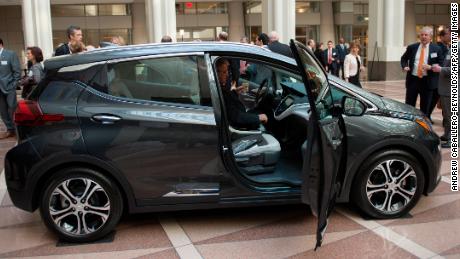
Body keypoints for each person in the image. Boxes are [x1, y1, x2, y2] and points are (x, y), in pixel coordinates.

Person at [400, 26, 443, 117]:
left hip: (427, 81)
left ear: (430, 37)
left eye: (426, 35)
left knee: (425, 106)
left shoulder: (437, 49)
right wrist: (405, 66)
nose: (423, 37)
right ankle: (409, 121)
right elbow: (404, 58)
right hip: (413, 80)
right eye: (422, 35)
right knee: (409, 104)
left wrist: (431, 67)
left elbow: (441, 63)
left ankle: (424, 124)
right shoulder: (412, 47)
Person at [216, 58, 267, 130]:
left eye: (227, 71)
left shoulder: (220, 87)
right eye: (224, 72)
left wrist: (234, 92)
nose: (227, 74)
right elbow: (235, 116)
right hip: (238, 126)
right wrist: (258, 118)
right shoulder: (218, 89)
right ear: (216, 73)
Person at [428, 28, 451, 117]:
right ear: (441, 37)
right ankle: (427, 115)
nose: (450, 36)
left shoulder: (451, 46)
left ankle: (445, 118)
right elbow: (433, 60)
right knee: (434, 99)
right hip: (437, 77)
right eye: (448, 34)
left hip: (446, 78)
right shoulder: (437, 47)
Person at [0, 38, 20, 138]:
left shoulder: (10, 54)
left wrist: (13, 85)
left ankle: (17, 130)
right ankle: (9, 129)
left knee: (12, 108)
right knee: (2, 110)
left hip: (9, 87)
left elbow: (17, 72)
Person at [432, 49, 451, 147]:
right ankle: (447, 135)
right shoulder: (453, 47)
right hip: (445, 89)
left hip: (451, 89)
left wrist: (441, 69)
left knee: (452, 116)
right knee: (447, 116)